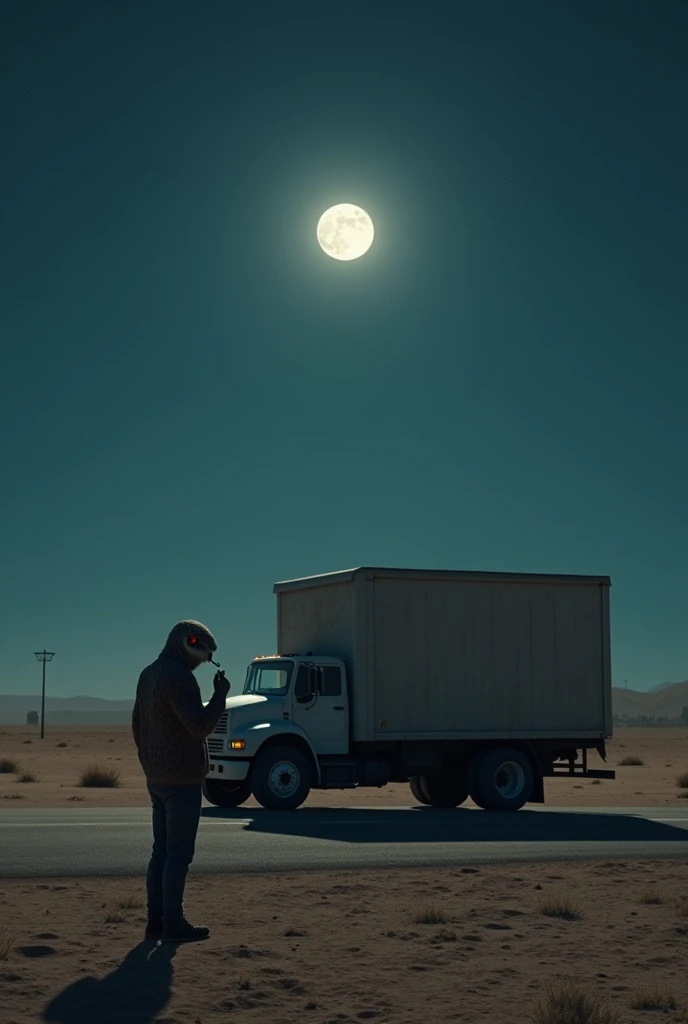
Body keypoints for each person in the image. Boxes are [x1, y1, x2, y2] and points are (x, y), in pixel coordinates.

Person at [132, 619, 230, 943]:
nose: (204, 661)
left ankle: (155, 922)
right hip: (182, 781)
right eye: (203, 653)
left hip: (156, 779)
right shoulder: (179, 678)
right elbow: (199, 726)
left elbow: (137, 726)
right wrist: (220, 697)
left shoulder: (148, 675)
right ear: (189, 644)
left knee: (160, 852)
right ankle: (173, 922)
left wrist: (149, 761)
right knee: (178, 854)